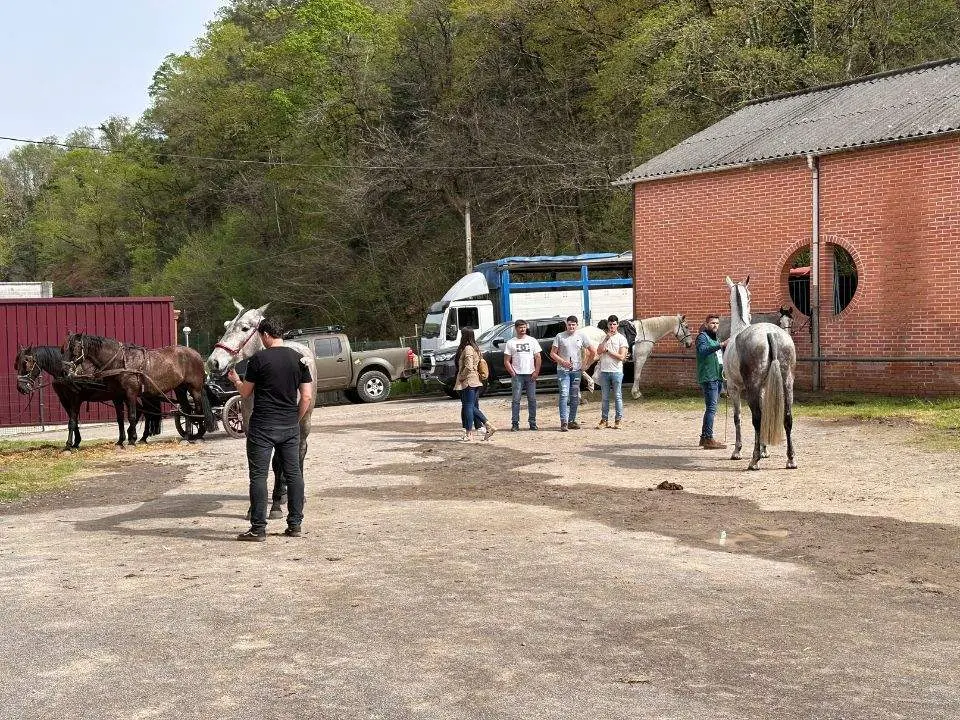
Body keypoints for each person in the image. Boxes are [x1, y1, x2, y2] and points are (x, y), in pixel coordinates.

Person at [227, 318, 314, 541]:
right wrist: (295, 419)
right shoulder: (300, 360)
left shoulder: (258, 359)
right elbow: (306, 396)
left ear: (265, 335)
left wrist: (236, 380)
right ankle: (294, 525)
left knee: (258, 476)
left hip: (262, 427)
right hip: (289, 426)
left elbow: (245, 393)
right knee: (294, 475)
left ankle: (258, 529)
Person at [549, 315, 596, 431]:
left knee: (574, 396)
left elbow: (593, 351)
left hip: (576, 372)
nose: (571, 327)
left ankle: (572, 420)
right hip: (563, 371)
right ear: (566, 325)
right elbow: (552, 353)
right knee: (564, 394)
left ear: (576, 325)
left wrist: (587, 365)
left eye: (573, 325)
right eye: (569, 324)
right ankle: (563, 421)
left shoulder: (582, 336)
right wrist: (562, 361)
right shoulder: (560, 336)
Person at [453, 328, 495, 442]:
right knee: (471, 406)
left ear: (464, 336)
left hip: (468, 381)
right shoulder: (476, 348)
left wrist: (461, 377)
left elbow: (468, 366)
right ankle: (487, 426)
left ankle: (470, 433)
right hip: (475, 380)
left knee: (468, 406)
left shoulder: (467, 348)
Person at [696, 314, 728, 449]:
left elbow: (719, 358)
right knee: (711, 409)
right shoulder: (702, 337)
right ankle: (708, 439)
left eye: (717, 323)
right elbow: (702, 351)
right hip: (709, 377)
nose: (715, 325)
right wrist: (720, 345)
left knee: (711, 408)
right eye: (712, 323)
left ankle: (704, 438)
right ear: (706, 324)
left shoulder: (716, 338)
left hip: (718, 376)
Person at [504, 319, 541, 431]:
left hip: (530, 374)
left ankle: (532, 423)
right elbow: (506, 360)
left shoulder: (532, 341)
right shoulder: (511, 342)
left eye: (524, 327)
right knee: (516, 400)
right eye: (520, 327)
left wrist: (536, 371)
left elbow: (538, 357)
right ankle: (515, 423)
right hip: (517, 375)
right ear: (516, 328)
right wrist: (512, 372)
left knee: (532, 399)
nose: (523, 329)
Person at [595, 315, 629, 429]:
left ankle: (618, 420)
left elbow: (621, 357)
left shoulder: (621, 338)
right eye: (610, 324)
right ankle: (604, 420)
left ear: (617, 325)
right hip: (604, 371)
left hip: (616, 372)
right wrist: (606, 339)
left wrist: (608, 351)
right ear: (608, 325)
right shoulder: (603, 338)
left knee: (617, 396)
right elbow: (599, 351)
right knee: (605, 397)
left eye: (614, 324)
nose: (612, 326)